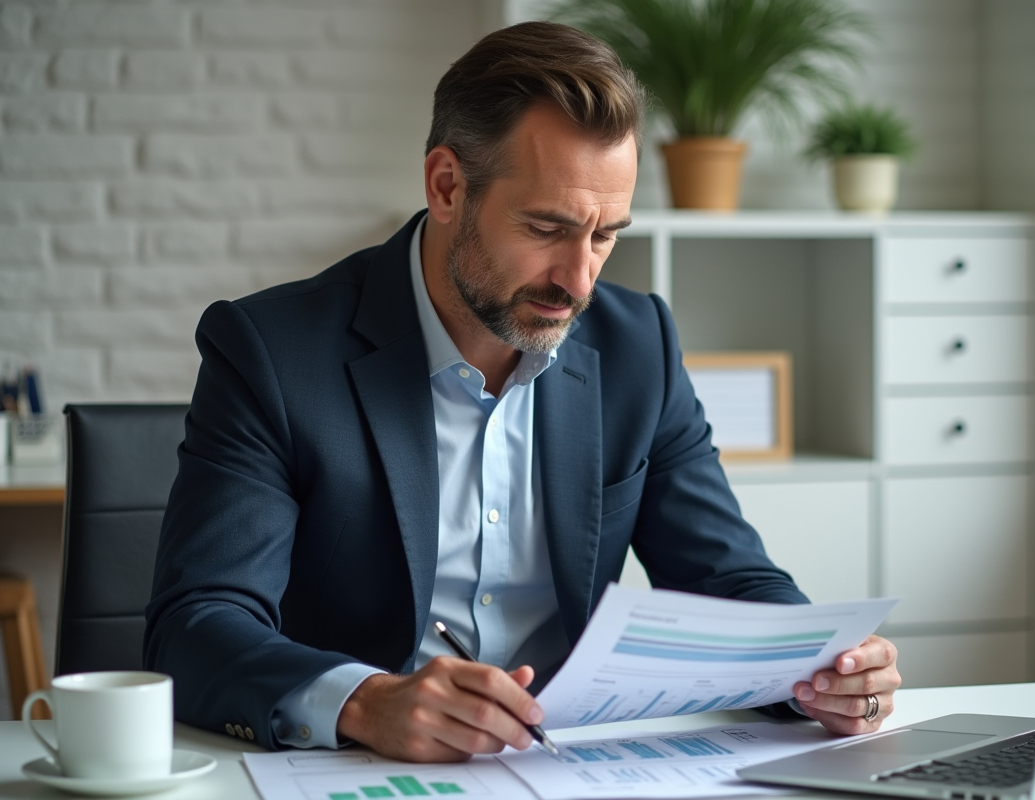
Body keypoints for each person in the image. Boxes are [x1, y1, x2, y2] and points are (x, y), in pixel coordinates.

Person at [145, 20, 900, 763]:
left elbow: (727, 576)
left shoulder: (638, 346)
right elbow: (197, 624)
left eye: (606, 235)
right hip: (361, 771)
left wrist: (825, 668)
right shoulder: (272, 353)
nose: (580, 281)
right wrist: (366, 701)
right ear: (447, 185)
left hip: (568, 766)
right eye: (547, 227)